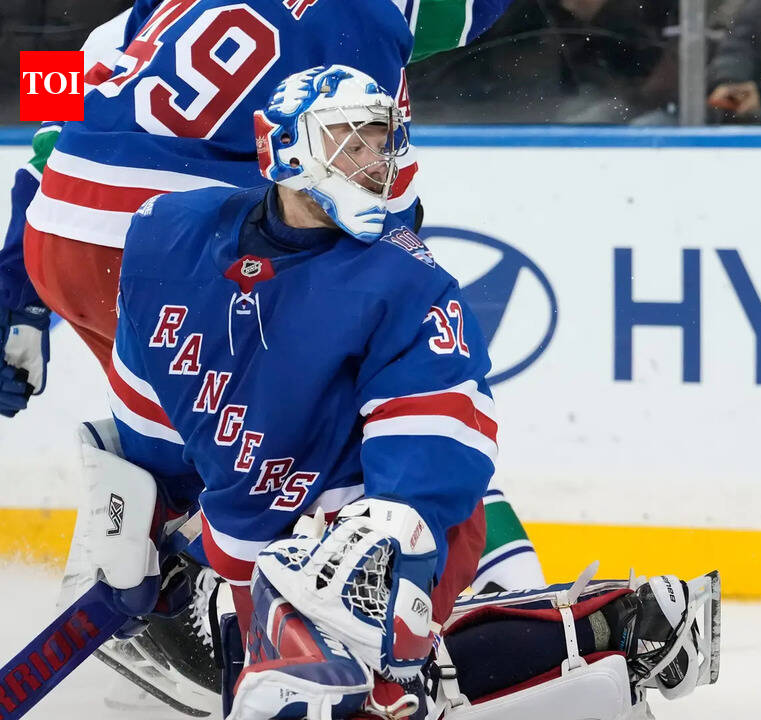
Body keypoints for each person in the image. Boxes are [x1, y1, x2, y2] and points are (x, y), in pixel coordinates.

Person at [87, 63, 718, 719]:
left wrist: (388, 549)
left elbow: (433, 437)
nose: (373, 160)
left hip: (356, 539)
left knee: (322, 696)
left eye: (381, 141)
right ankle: (600, 634)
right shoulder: (169, 235)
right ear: (283, 145)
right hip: (252, 548)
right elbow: (153, 409)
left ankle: (586, 642)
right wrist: (142, 518)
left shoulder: (404, 279)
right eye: (350, 141)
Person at [0, 0, 552, 705]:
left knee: (199, 432)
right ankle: (492, 596)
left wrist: (15, 288)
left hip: (66, 234)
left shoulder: (155, 8)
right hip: (191, 237)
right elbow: (368, 207)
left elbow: (56, 104)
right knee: (362, 427)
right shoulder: (374, 15)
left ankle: (137, 575)